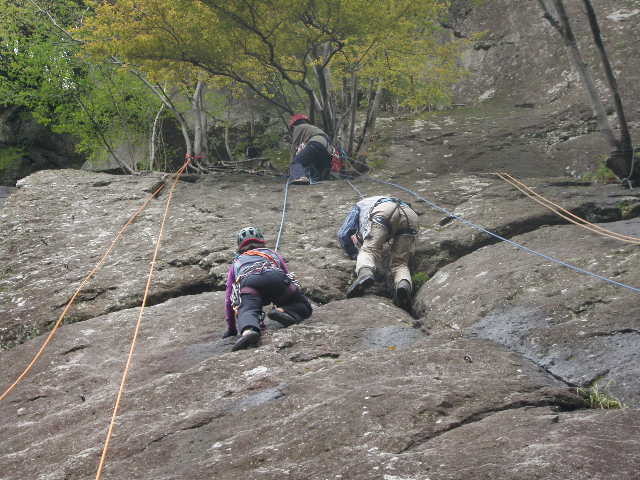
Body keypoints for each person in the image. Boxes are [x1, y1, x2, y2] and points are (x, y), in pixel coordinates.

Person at [223, 226, 313, 351]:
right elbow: (287, 276)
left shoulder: (236, 262)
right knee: (302, 305)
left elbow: (229, 298)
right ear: (262, 241)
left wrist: (231, 328)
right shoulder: (273, 254)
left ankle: (249, 331)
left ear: (240, 247)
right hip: (276, 277)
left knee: (247, 310)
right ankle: (283, 311)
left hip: (250, 284)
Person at [337, 196, 418, 310]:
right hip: (410, 214)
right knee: (400, 263)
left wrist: (353, 254)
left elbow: (343, 233)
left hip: (383, 211)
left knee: (368, 250)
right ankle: (403, 285)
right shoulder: (377, 200)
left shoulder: (359, 205)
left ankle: (365, 273)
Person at [288, 113, 332, 185]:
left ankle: (299, 177)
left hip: (316, 143)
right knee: (313, 165)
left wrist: (292, 163)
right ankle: (321, 178)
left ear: (293, 125)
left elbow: (295, 146)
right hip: (327, 148)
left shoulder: (298, 127)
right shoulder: (312, 128)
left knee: (297, 161)